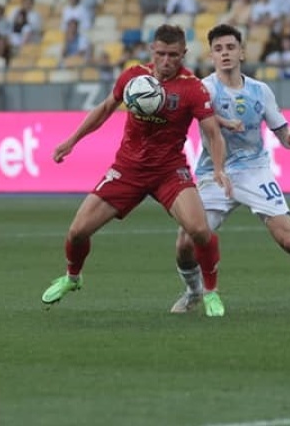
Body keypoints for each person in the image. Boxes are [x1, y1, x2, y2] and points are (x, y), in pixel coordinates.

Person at [42, 25, 233, 317]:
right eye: (161, 54)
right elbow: (105, 109)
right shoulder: (133, 76)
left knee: (198, 230)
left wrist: (219, 169)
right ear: (151, 51)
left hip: (169, 170)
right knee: (78, 231)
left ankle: (210, 291)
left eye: (173, 55)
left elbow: (213, 133)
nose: (166, 61)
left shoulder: (192, 88)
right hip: (128, 169)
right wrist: (71, 141)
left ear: (184, 54)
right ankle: (72, 277)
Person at [170, 25, 290, 314]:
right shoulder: (204, 88)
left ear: (242, 52)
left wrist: (289, 138)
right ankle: (194, 292)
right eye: (218, 49)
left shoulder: (260, 91)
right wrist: (224, 122)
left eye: (230, 47)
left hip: (254, 170)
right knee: (185, 242)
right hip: (215, 173)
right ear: (212, 56)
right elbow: (197, 113)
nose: (225, 54)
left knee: (288, 239)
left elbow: (280, 129)